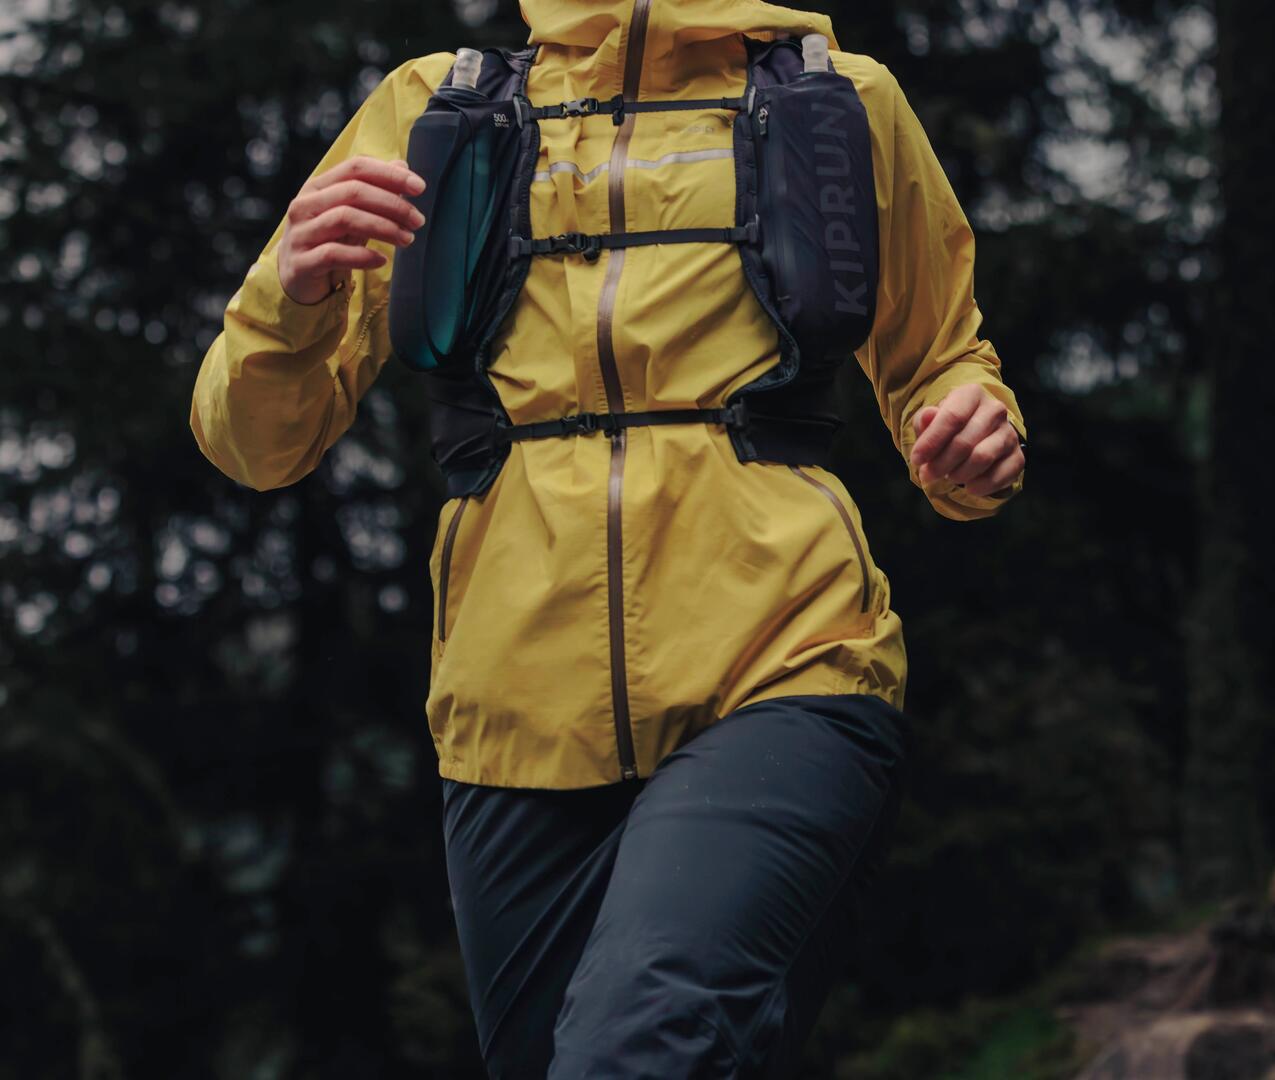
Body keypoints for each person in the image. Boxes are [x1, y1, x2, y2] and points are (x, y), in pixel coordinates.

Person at [188, 1, 1027, 1076]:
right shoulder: (433, 107)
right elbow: (256, 445)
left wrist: (972, 430)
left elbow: (944, 358)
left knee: (638, 1050)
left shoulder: (843, 99)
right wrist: (290, 295)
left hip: (787, 662)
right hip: (510, 717)